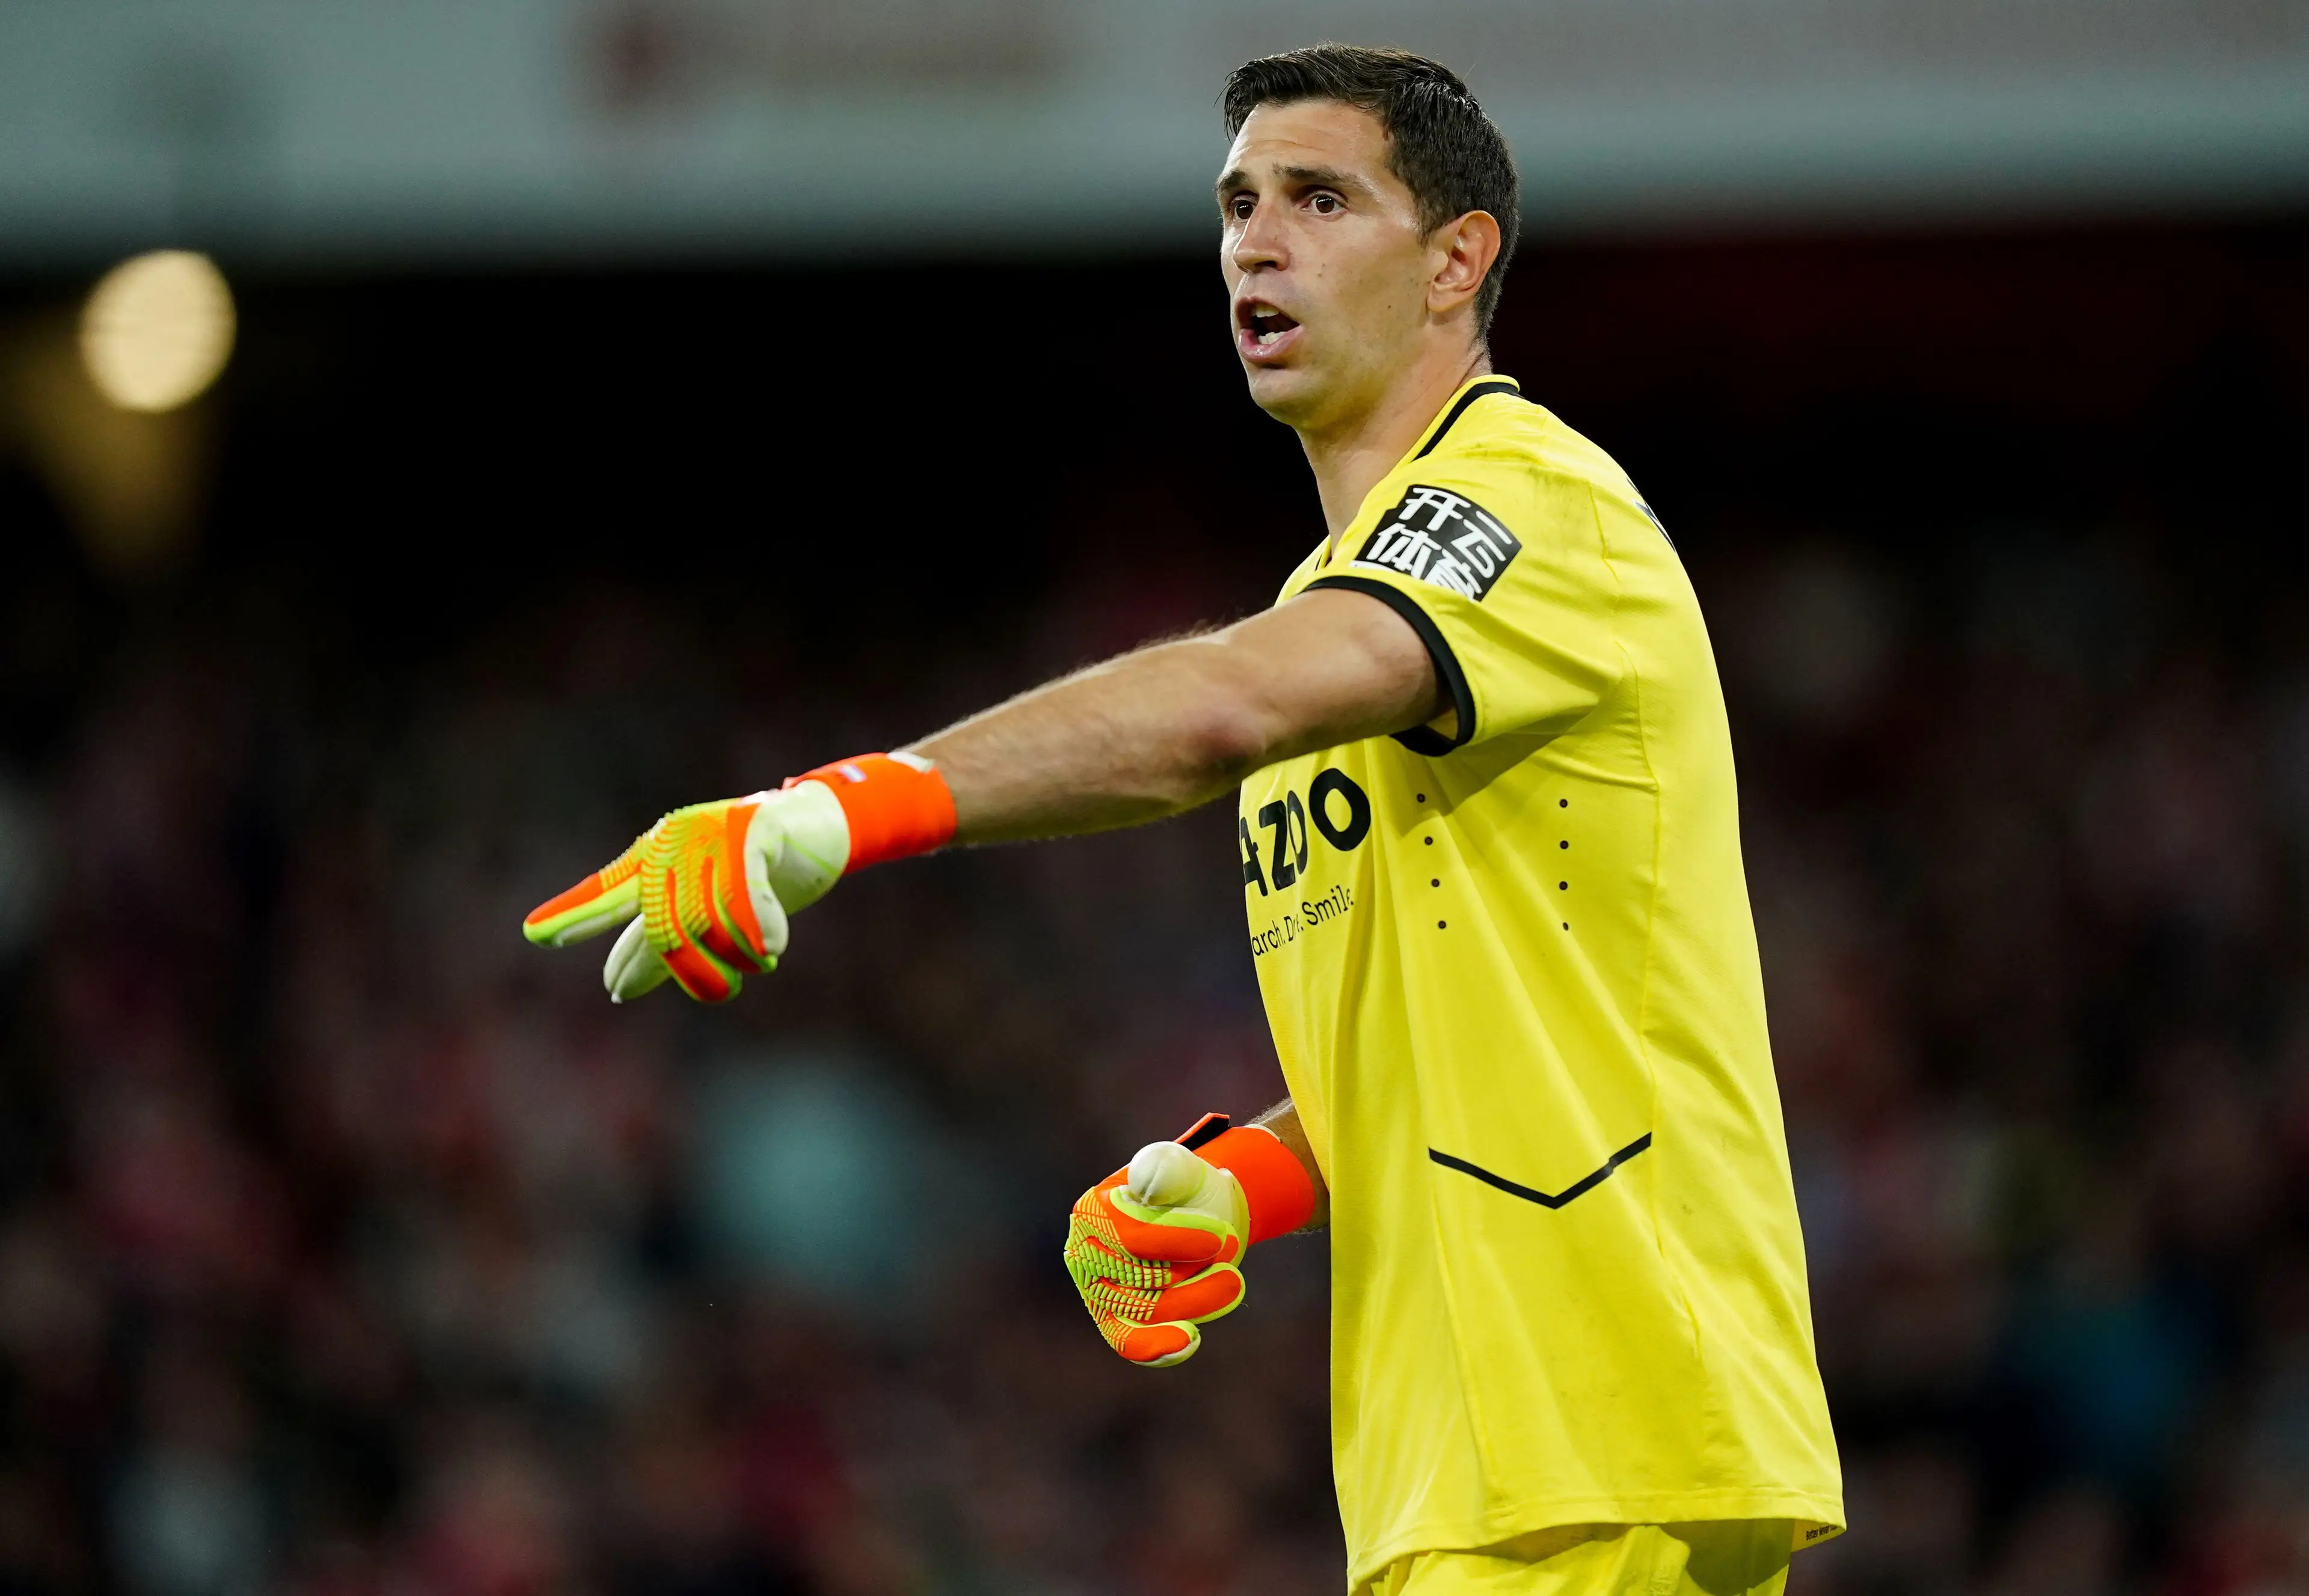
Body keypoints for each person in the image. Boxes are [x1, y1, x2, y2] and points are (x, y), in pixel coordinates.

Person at [524, 43, 1842, 1596]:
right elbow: (1440, 1064)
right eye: (1237, 204)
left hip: (1608, 1424)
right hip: (1472, 1470)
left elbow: (1216, 708)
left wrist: (833, 811)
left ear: (1455, 261)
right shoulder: (1339, 617)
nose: (1256, 244)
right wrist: (1246, 1184)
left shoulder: (1530, 501)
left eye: (1320, 200)